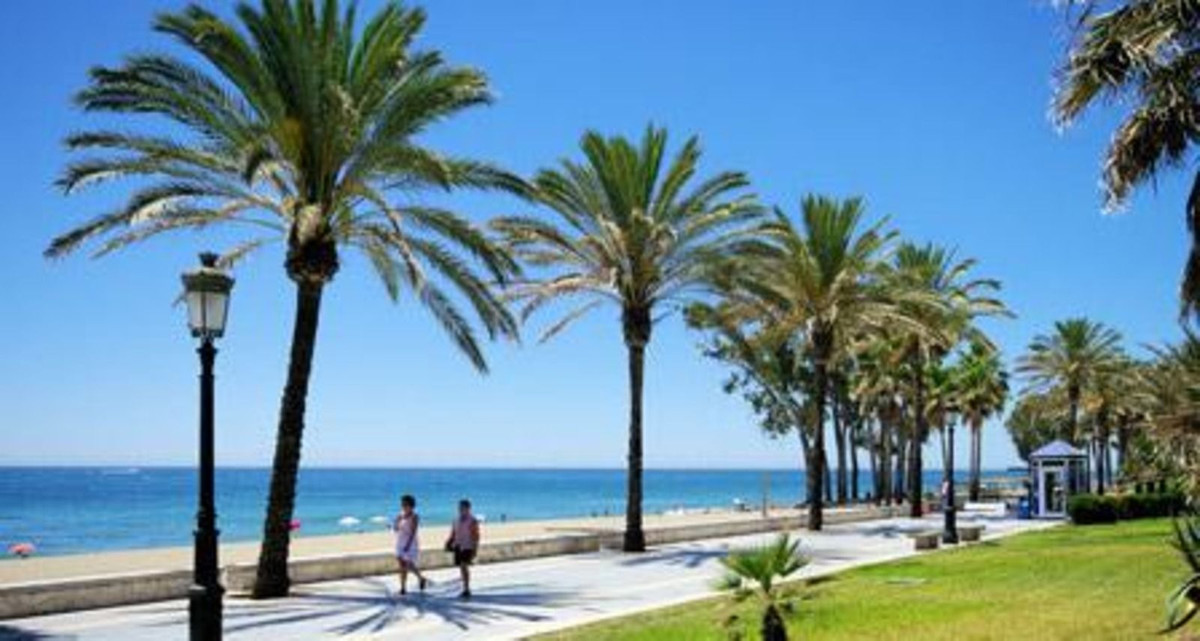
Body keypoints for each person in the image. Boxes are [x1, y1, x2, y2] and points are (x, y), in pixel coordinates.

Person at [445, 498, 481, 599]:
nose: (460, 509)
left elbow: (476, 536)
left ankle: (466, 589)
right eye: (459, 507)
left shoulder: (472, 520)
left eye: (462, 507)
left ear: (468, 508)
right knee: (461, 567)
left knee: (464, 566)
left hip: (467, 546)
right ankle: (465, 587)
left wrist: (475, 549)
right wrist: (448, 542)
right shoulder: (456, 520)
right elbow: (453, 533)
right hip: (458, 546)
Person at [393, 494, 428, 596]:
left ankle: (420, 578)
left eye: (405, 504)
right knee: (402, 565)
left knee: (409, 564)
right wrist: (396, 521)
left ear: (411, 505)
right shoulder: (400, 515)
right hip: (400, 542)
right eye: (402, 504)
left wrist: (408, 545)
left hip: (410, 542)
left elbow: (413, 532)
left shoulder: (415, 517)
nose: (403, 506)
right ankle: (403, 587)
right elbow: (396, 529)